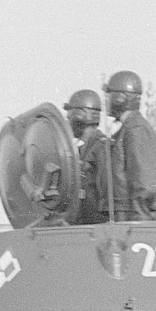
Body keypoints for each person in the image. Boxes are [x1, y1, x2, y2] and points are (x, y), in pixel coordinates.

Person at [104, 70, 156, 221]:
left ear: (120, 98)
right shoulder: (128, 130)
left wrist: (139, 223)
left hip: (140, 223)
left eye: (109, 96)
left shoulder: (137, 130)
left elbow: (146, 183)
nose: (106, 101)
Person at [61, 89, 114, 224]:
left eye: (70, 116)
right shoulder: (82, 150)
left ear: (81, 115)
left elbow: (107, 193)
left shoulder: (101, 147)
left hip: (97, 224)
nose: (68, 121)